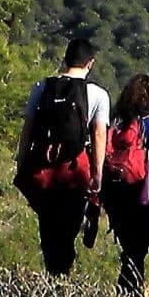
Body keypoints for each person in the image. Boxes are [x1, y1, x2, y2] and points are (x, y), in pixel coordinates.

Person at [14, 37, 110, 276]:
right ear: (90, 63)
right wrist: (98, 173)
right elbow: (99, 135)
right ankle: (61, 276)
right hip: (75, 172)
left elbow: (28, 129)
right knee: (68, 230)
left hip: (43, 171)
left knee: (48, 230)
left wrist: (22, 162)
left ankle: (52, 271)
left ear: (65, 59)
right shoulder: (97, 94)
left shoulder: (42, 87)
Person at [104, 75, 149, 297]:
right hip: (143, 194)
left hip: (115, 192)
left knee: (129, 247)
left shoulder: (118, 120)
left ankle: (126, 294)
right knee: (137, 251)